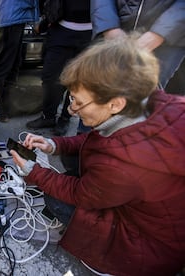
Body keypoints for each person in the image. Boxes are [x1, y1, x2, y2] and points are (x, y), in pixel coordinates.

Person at [10, 35, 185, 275]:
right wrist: (54, 145)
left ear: (115, 104)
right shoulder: (149, 104)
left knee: (55, 198)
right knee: (75, 160)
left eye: (78, 103)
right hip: (160, 222)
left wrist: (34, 172)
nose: (72, 111)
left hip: (147, 246)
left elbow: (79, 194)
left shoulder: (124, 167)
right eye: (71, 100)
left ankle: (108, 259)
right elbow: (97, 140)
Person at [26, 0, 92, 136]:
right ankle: (48, 116)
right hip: (60, 32)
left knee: (77, 81)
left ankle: (65, 118)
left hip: (89, 36)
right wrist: (44, 23)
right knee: (50, 78)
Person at [90, 0, 185, 93]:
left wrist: (159, 34)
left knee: (144, 97)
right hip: (114, 28)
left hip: (168, 39)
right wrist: (110, 27)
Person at [0, 0, 39, 122]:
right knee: (4, 65)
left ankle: (6, 103)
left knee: (12, 63)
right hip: (10, 16)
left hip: (12, 16)